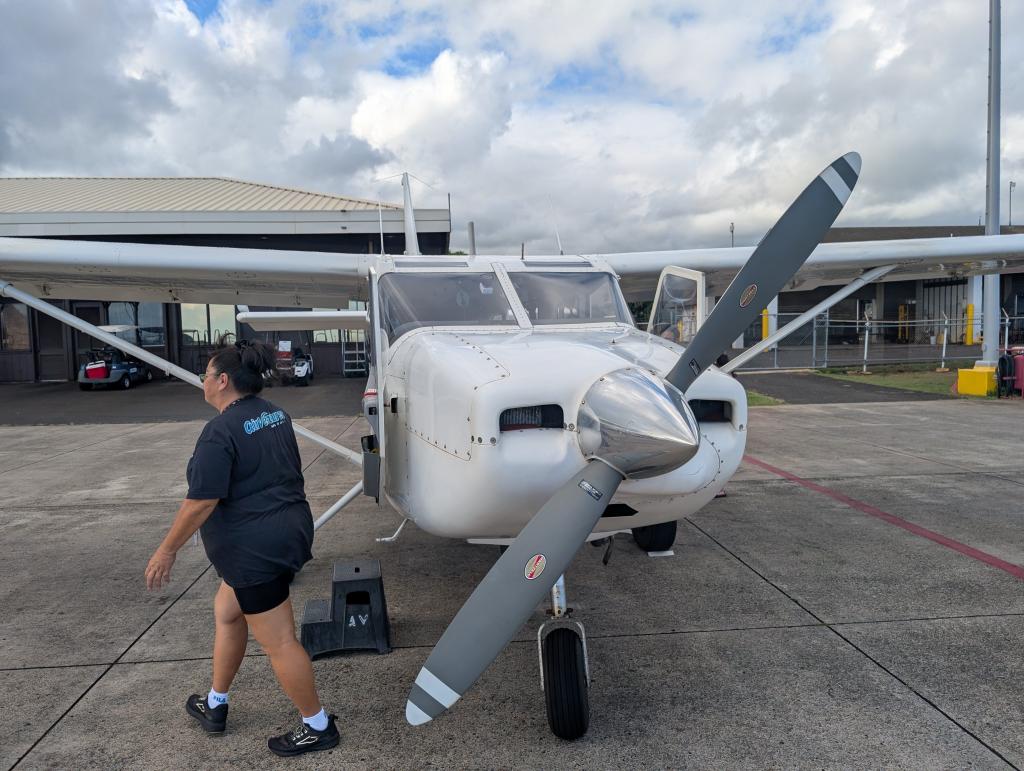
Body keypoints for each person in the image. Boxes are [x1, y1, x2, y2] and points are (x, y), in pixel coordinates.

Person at [144, 338, 339, 757]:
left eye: (206, 374)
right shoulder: (274, 415)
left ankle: (317, 724)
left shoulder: (219, 432)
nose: (204, 381)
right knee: (228, 613)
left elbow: (201, 501)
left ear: (223, 380)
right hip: (287, 531)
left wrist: (167, 550)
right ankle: (216, 703)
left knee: (280, 641)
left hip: (254, 547)